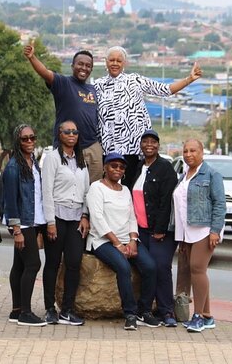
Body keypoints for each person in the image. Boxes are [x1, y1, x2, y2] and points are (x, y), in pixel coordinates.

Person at [94, 46, 202, 188]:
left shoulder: (135, 80)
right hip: (109, 149)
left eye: (119, 61)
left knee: (132, 191)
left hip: (133, 149)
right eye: (112, 60)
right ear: (106, 62)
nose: (115, 63)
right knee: (107, 190)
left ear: (124, 63)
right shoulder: (97, 85)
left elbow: (165, 90)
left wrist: (189, 79)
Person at [85, 152, 161, 331]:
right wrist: (118, 244)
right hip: (103, 241)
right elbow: (97, 219)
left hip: (128, 239)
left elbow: (131, 217)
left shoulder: (125, 190)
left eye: (121, 167)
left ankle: (145, 311)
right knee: (123, 267)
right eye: (113, 166)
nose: (117, 169)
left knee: (150, 267)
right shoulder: (96, 188)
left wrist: (133, 240)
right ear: (105, 167)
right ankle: (130, 314)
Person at [24, 41, 103, 183]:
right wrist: (32, 57)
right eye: (80, 64)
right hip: (68, 146)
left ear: (91, 69)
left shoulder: (93, 90)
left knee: (94, 188)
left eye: (88, 65)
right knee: (70, 186)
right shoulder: (63, 83)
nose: (83, 68)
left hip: (92, 146)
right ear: (73, 66)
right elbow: (45, 73)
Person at [173, 139, 226, 333]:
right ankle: (208, 317)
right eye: (185, 151)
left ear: (202, 152)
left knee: (197, 269)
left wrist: (215, 231)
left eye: (193, 150)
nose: (188, 154)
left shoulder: (212, 174)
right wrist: (181, 237)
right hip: (187, 231)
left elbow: (220, 204)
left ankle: (198, 316)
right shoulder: (184, 176)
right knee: (196, 271)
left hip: (204, 229)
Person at [41, 120, 90, 326]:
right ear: (59, 134)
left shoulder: (81, 159)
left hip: (76, 218)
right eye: (67, 131)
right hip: (57, 217)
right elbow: (46, 192)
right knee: (52, 263)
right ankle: (50, 308)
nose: (72, 134)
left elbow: (87, 190)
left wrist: (85, 215)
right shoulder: (52, 158)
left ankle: (67, 310)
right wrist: (50, 222)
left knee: (73, 264)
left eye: (75, 132)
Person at [129, 129, 179, 327]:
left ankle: (167, 311)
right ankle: (147, 309)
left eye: (153, 142)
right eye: (145, 141)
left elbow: (166, 200)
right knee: (146, 268)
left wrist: (160, 229)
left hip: (160, 231)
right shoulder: (138, 167)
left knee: (161, 267)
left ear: (159, 145)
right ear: (141, 145)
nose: (149, 145)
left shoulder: (165, 168)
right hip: (140, 230)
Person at [1, 124, 47, 327]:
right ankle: (26, 313)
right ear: (17, 142)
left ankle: (16, 310)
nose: (29, 141)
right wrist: (17, 230)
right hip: (22, 223)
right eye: (24, 139)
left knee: (19, 265)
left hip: (31, 220)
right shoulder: (13, 167)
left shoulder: (32, 162)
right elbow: (11, 201)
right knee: (33, 264)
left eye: (32, 137)